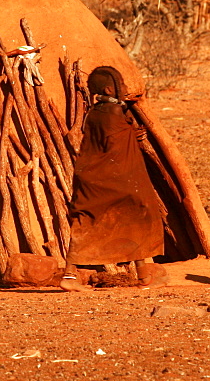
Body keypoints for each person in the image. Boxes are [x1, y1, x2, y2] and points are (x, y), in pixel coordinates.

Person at [60, 66, 165, 292]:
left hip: (93, 176)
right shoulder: (114, 113)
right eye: (123, 85)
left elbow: (109, 139)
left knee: (89, 221)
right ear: (110, 88)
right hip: (111, 180)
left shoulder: (97, 111)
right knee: (136, 212)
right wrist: (131, 134)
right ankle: (69, 277)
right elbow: (114, 146)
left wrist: (129, 134)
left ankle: (143, 275)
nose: (126, 89)